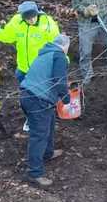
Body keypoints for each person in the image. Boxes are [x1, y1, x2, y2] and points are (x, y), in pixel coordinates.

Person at [0, 0, 61, 132]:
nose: (31, 20)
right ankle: (31, 118)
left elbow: (57, 46)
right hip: (23, 69)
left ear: (37, 13)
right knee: (27, 99)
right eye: (28, 18)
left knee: (40, 98)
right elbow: (9, 36)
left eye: (33, 17)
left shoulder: (48, 24)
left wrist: (60, 64)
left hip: (41, 71)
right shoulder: (17, 21)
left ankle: (43, 121)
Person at [19, 35, 72, 186]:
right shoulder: (59, 56)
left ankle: (48, 153)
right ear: (65, 46)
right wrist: (67, 100)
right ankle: (34, 173)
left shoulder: (44, 54)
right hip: (37, 99)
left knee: (49, 124)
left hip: (28, 95)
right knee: (39, 135)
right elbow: (59, 81)